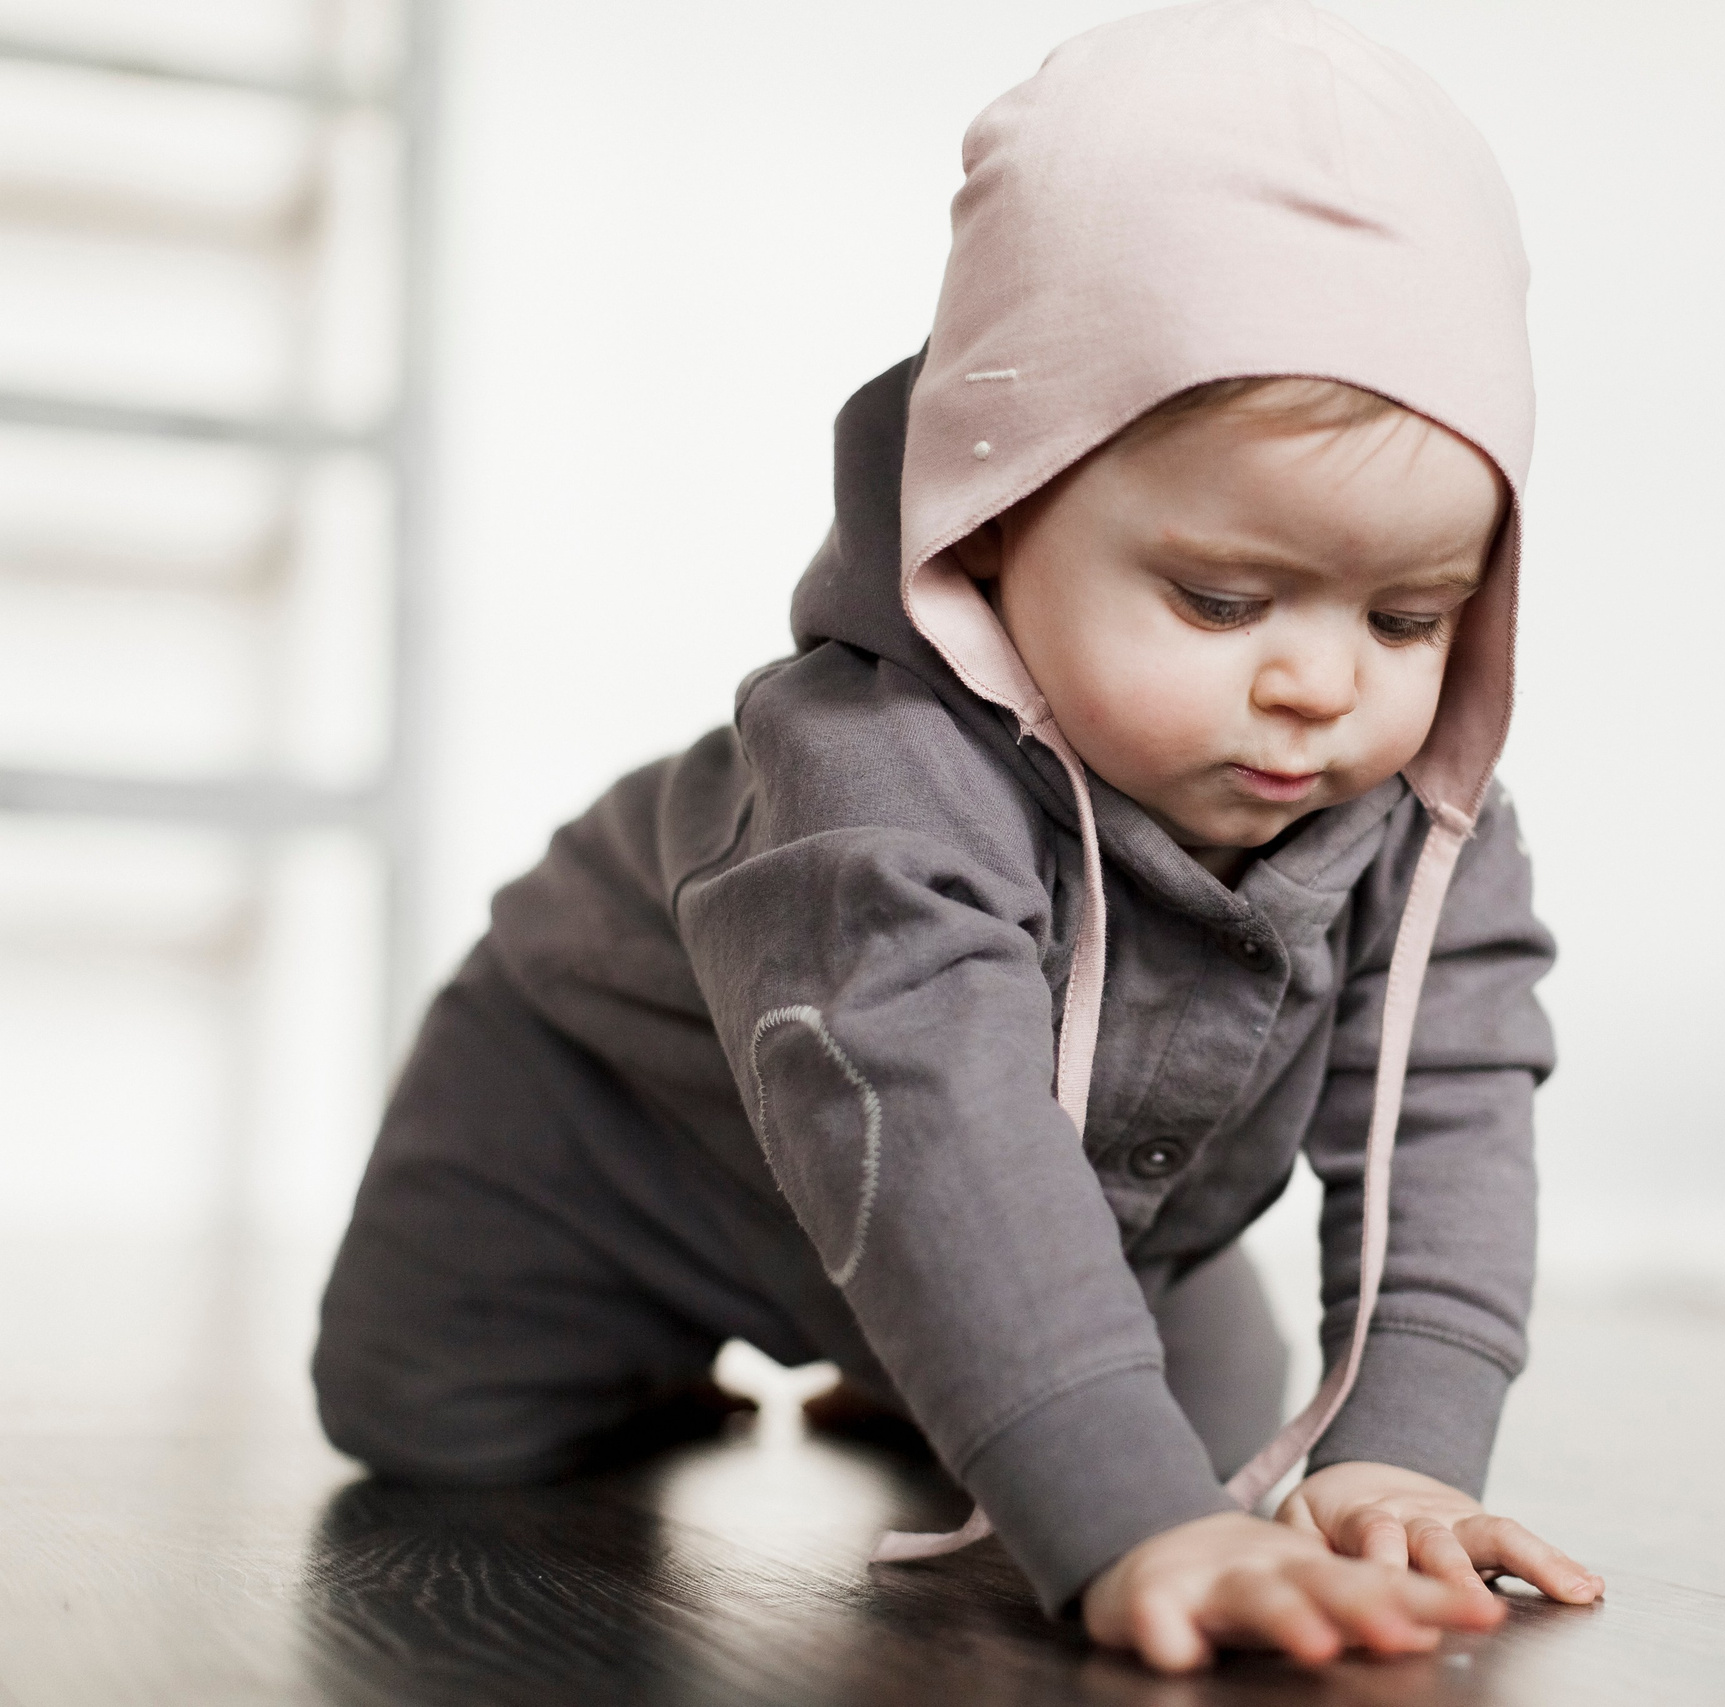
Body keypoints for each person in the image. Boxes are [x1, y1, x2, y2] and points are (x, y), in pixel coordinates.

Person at [312, 0, 1600, 1672]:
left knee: (1200, 1440)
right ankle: (844, 1357)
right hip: (618, 1140)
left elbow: (1450, 1107)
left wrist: (1405, 1448)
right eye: (1223, 597)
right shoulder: (873, 766)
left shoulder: (1412, 821)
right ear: (991, 520)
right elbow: (922, 1110)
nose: (1319, 685)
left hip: (1070, 1203)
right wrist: (1128, 1520)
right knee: (425, 1416)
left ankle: (926, 1359)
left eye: (1412, 616)